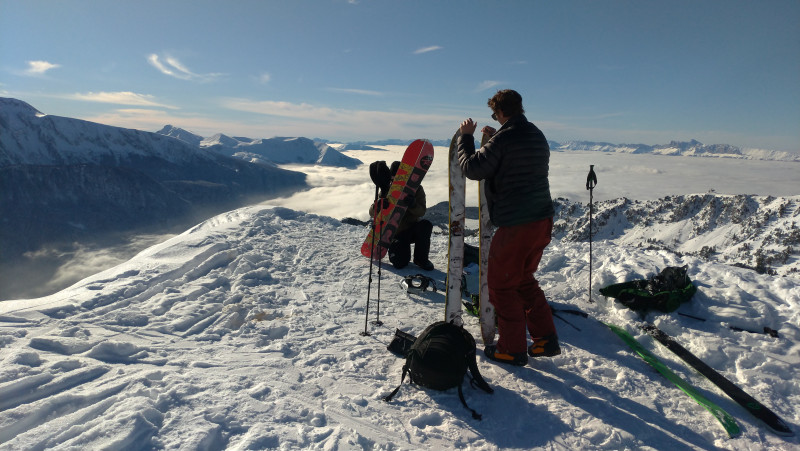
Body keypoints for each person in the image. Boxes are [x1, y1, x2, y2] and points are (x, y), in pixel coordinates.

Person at [458, 89, 559, 366]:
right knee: (524, 279)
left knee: (501, 285)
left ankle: (512, 349)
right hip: (542, 219)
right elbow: (514, 160)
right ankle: (545, 339)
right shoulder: (536, 134)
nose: (496, 118)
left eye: (495, 114)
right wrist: (494, 140)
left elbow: (473, 169)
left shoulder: (505, 138)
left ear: (501, 111)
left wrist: (466, 137)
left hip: (517, 223)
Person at [368, 161, 434, 271]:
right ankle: (397, 250)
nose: (396, 182)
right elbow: (372, 213)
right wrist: (378, 205)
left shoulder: (416, 189)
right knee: (399, 263)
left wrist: (413, 205)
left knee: (425, 225)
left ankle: (421, 259)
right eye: (393, 179)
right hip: (396, 233)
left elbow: (421, 211)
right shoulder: (387, 189)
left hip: (412, 229)